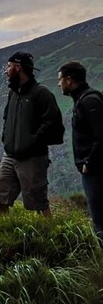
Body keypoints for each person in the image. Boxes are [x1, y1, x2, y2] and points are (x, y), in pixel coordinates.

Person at [0, 52, 64, 217]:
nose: (6, 70)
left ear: (18, 68)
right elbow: (6, 117)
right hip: (9, 156)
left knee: (38, 203)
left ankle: (48, 236)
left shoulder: (41, 93)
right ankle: (4, 237)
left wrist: (32, 142)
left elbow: (52, 124)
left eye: (9, 66)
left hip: (33, 158)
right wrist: (6, 137)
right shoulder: (13, 93)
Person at [57, 61, 103, 244]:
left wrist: (88, 164)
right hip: (94, 170)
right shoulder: (83, 100)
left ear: (69, 80)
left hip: (96, 171)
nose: (59, 84)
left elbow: (101, 136)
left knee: (100, 219)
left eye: (60, 79)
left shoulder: (90, 101)